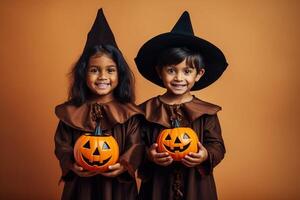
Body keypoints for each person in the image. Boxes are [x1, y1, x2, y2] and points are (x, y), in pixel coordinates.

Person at [135, 11, 228, 200]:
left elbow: (217, 146)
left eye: (187, 71)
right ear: (159, 72)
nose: (179, 78)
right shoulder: (145, 111)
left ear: (199, 74)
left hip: (196, 186)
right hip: (157, 187)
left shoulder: (206, 113)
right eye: (171, 70)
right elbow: (134, 145)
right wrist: (148, 155)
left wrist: (205, 155)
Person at [54, 9, 143, 200]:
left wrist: (125, 164)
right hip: (80, 187)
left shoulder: (130, 113)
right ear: (83, 73)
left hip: (118, 188)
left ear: (120, 74)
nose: (103, 77)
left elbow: (136, 144)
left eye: (110, 70)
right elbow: (62, 145)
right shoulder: (71, 112)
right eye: (95, 70)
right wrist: (71, 163)